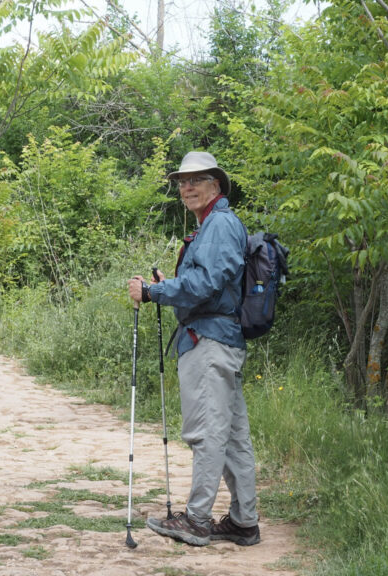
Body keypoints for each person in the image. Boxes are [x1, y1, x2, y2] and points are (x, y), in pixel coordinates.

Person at [127, 151, 260, 547]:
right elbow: (206, 283)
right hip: (220, 341)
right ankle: (243, 522)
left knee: (206, 433)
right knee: (233, 437)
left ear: (216, 185)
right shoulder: (214, 225)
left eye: (197, 180)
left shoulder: (219, 224)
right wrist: (171, 286)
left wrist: (154, 291)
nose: (187, 187)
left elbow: (207, 285)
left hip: (210, 343)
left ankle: (199, 520)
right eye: (183, 182)